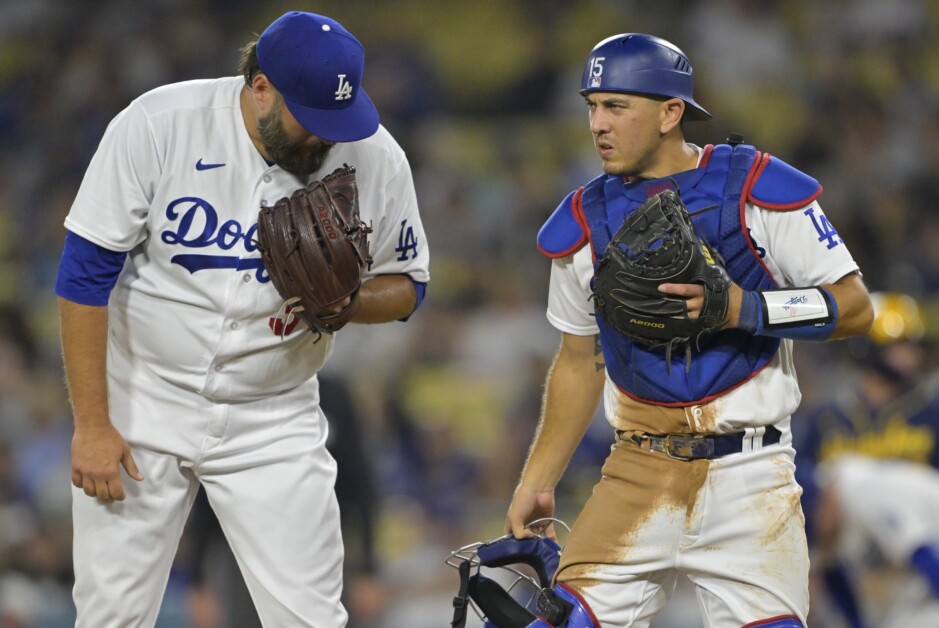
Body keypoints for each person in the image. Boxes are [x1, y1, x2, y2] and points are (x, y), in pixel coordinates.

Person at [54, 11, 429, 627]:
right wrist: (92, 424)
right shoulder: (159, 125)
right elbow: (83, 276)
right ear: (260, 87)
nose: (326, 136)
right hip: (144, 396)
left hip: (273, 409)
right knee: (110, 615)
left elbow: (410, 288)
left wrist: (344, 301)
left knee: (312, 616)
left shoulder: (373, 153)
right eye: (311, 117)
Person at [503, 33, 873, 627]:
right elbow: (577, 360)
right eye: (592, 105)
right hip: (636, 469)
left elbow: (855, 309)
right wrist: (537, 481)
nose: (598, 123)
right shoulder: (582, 221)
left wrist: (742, 310)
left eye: (617, 106)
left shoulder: (755, 189)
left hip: (750, 476)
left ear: (671, 112)